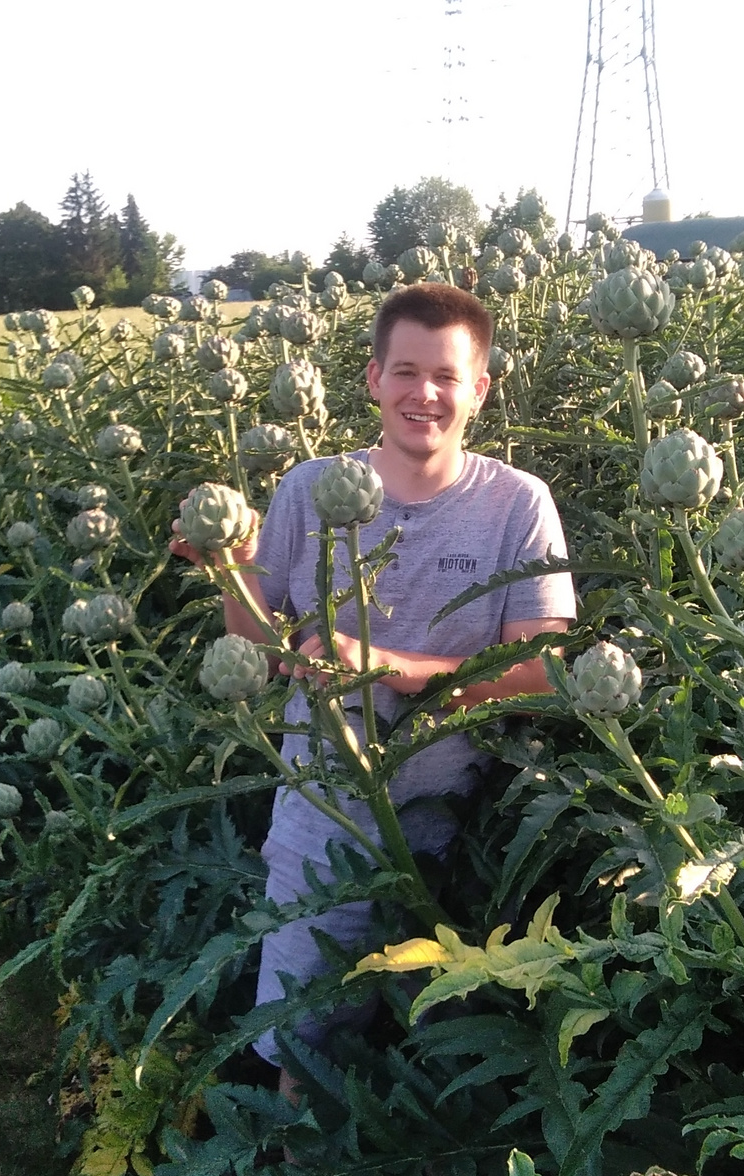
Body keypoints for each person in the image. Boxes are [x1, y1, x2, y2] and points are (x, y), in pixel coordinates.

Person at [170, 282, 576, 1092]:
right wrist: (231, 574)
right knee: (305, 1051)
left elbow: (541, 677)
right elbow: (255, 655)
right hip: (325, 825)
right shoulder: (307, 491)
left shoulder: (516, 505)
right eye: (405, 371)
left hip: (473, 835)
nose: (424, 394)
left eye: (447, 376)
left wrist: (385, 664)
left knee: (454, 1072)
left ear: (480, 390)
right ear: (372, 379)